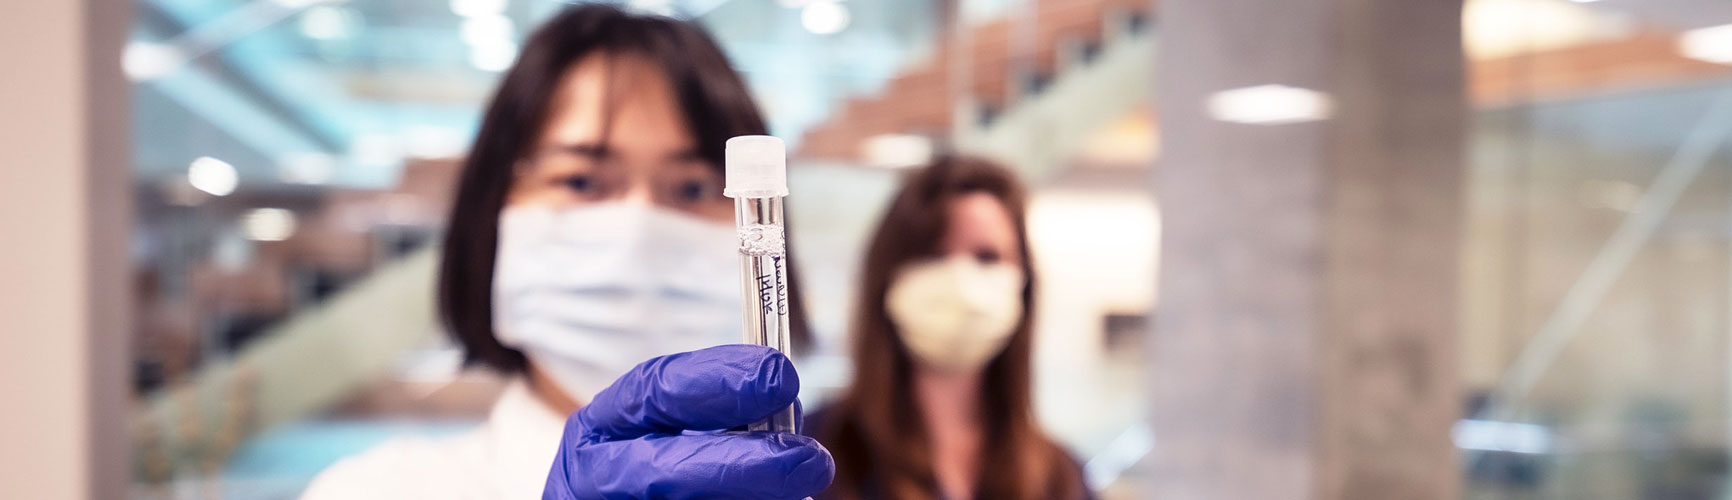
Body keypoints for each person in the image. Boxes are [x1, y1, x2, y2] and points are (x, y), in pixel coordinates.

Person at [301, 4, 831, 499]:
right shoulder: (379, 488)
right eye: (580, 180)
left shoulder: (819, 474)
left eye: (691, 188)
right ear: (490, 210)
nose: (637, 231)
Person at [808, 157, 1091, 500]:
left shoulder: (1060, 475)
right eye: (933, 256)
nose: (961, 282)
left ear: (1023, 283)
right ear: (887, 281)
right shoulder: (814, 453)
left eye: (987, 257)